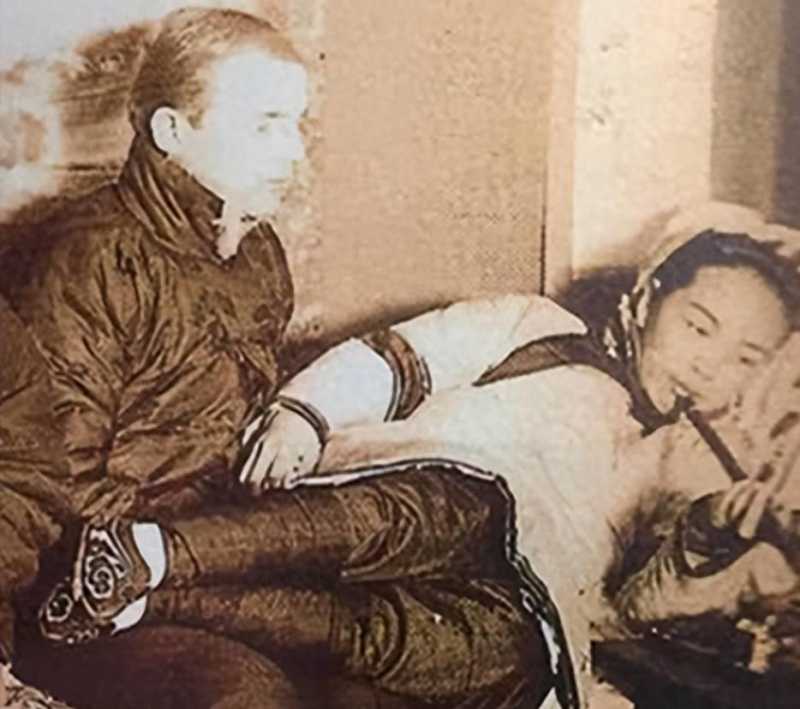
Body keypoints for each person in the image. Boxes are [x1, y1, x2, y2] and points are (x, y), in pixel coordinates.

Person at [41, 230, 800, 707]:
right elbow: (401, 357)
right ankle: (160, 547)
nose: (710, 365)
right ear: (647, 298)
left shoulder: (682, 468)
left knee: (502, 651)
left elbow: (619, 610)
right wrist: (306, 413)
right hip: (409, 497)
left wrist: (705, 540)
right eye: (699, 327)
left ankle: (135, 596)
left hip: (500, 592)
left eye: (745, 359)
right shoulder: (544, 330)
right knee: (460, 509)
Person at [0, 7, 313, 708]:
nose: (294, 152)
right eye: (265, 125)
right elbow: (56, 487)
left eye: (297, 124)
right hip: (89, 595)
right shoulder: (90, 257)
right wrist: (204, 556)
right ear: (173, 132)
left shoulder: (257, 252)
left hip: (203, 562)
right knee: (246, 696)